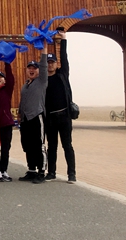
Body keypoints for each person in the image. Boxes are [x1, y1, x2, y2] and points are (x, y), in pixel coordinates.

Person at [45, 28, 77, 183]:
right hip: (50, 118)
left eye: (52, 62)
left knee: (67, 145)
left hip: (64, 116)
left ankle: (72, 174)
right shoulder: (43, 80)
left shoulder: (62, 75)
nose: (50, 65)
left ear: (56, 64)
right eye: (48, 63)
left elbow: (64, 58)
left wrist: (63, 40)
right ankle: (51, 173)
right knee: (52, 146)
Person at [18, 42, 49, 184]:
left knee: (39, 145)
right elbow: (23, 101)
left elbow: (44, 65)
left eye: (34, 68)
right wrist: (20, 114)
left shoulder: (41, 81)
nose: (31, 70)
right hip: (25, 119)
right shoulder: (25, 85)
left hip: (37, 117)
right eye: (29, 68)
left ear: (38, 70)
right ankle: (31, 171)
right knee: (27, 145)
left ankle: (42, 172)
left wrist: (44, 49)